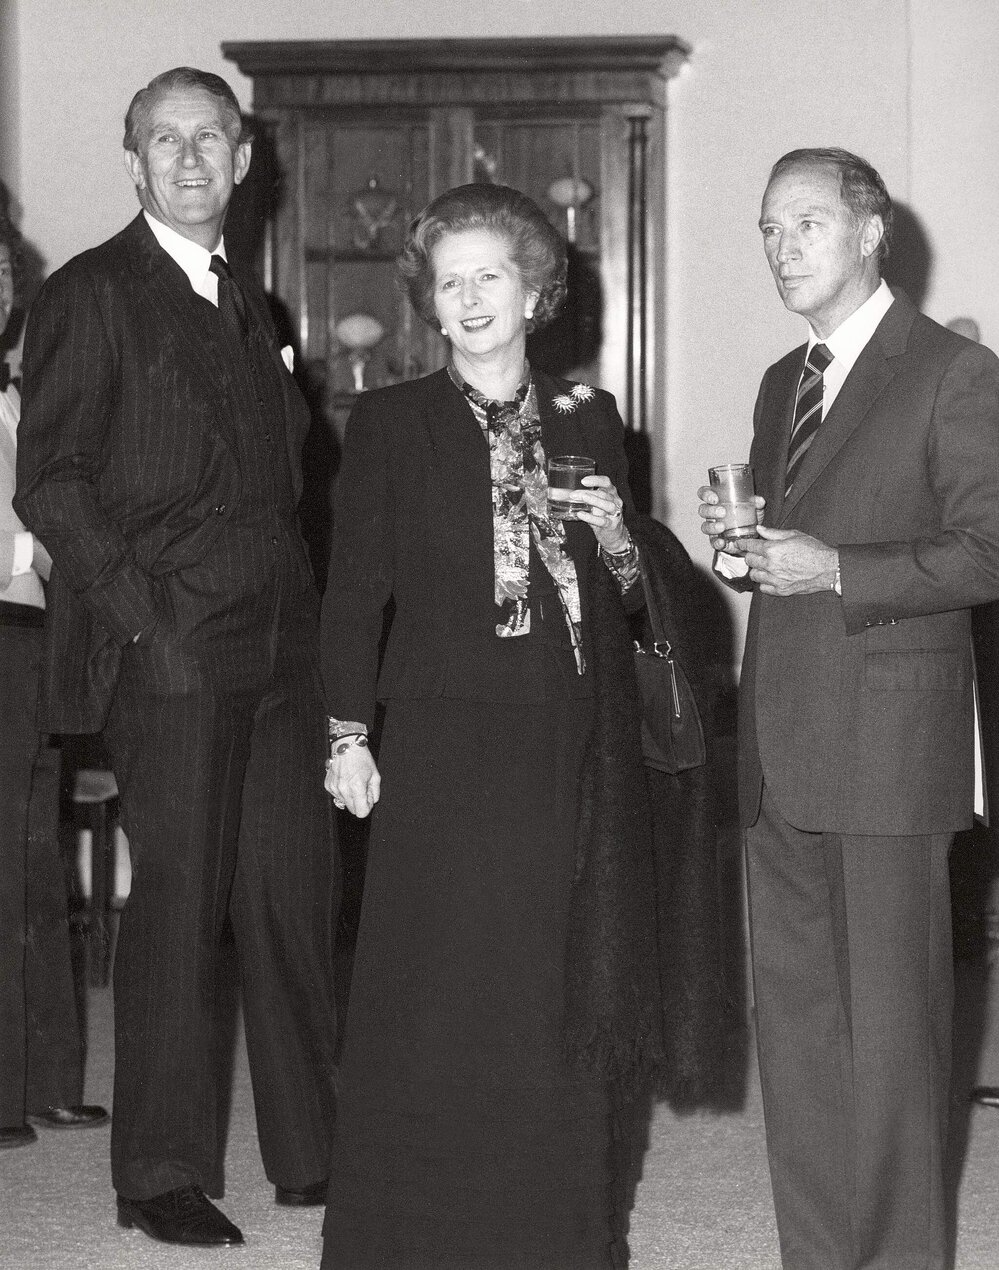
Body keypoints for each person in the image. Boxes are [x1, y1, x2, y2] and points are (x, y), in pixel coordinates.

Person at [14, 68, 338, 1247]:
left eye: (212, 138)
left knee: (291, 900)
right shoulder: (92, 293)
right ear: (134, 159)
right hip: (173, 650)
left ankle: (313, 1151)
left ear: (245, 160)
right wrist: (141, 615)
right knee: (182, 911)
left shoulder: (252, 305)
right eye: (167, 139)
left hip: (282, 654)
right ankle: (155, 1171)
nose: (191, 158)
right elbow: (49, 477)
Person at [319, 182, 655, 1269]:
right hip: (438, 738)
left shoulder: (591, 419)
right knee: (430, 988)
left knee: (548, 985)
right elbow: (352, 592)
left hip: (560, 736)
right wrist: (345, 733)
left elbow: (629, 603)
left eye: (490, 277)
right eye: (449, 280)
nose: (468, 298)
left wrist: (618, 543)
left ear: (534, 290)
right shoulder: (392, 420)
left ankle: (546, 1235)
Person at [698, 147, 999, 1269]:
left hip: (888, 748)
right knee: (804, 1037)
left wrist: (833, 569)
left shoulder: (955, 373)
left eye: (806, 223)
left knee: (893, 1045)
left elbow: (988, 548)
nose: (781, 246)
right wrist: (756, 556)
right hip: (782, 744)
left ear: (872, 231)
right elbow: (808, 545)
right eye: (768, 227)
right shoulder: (788, 380)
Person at [0, 218, 109, 1150]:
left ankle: (44, 1081)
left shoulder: (20, 396)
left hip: (31, 638)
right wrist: (56, 538)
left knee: (37, 859)